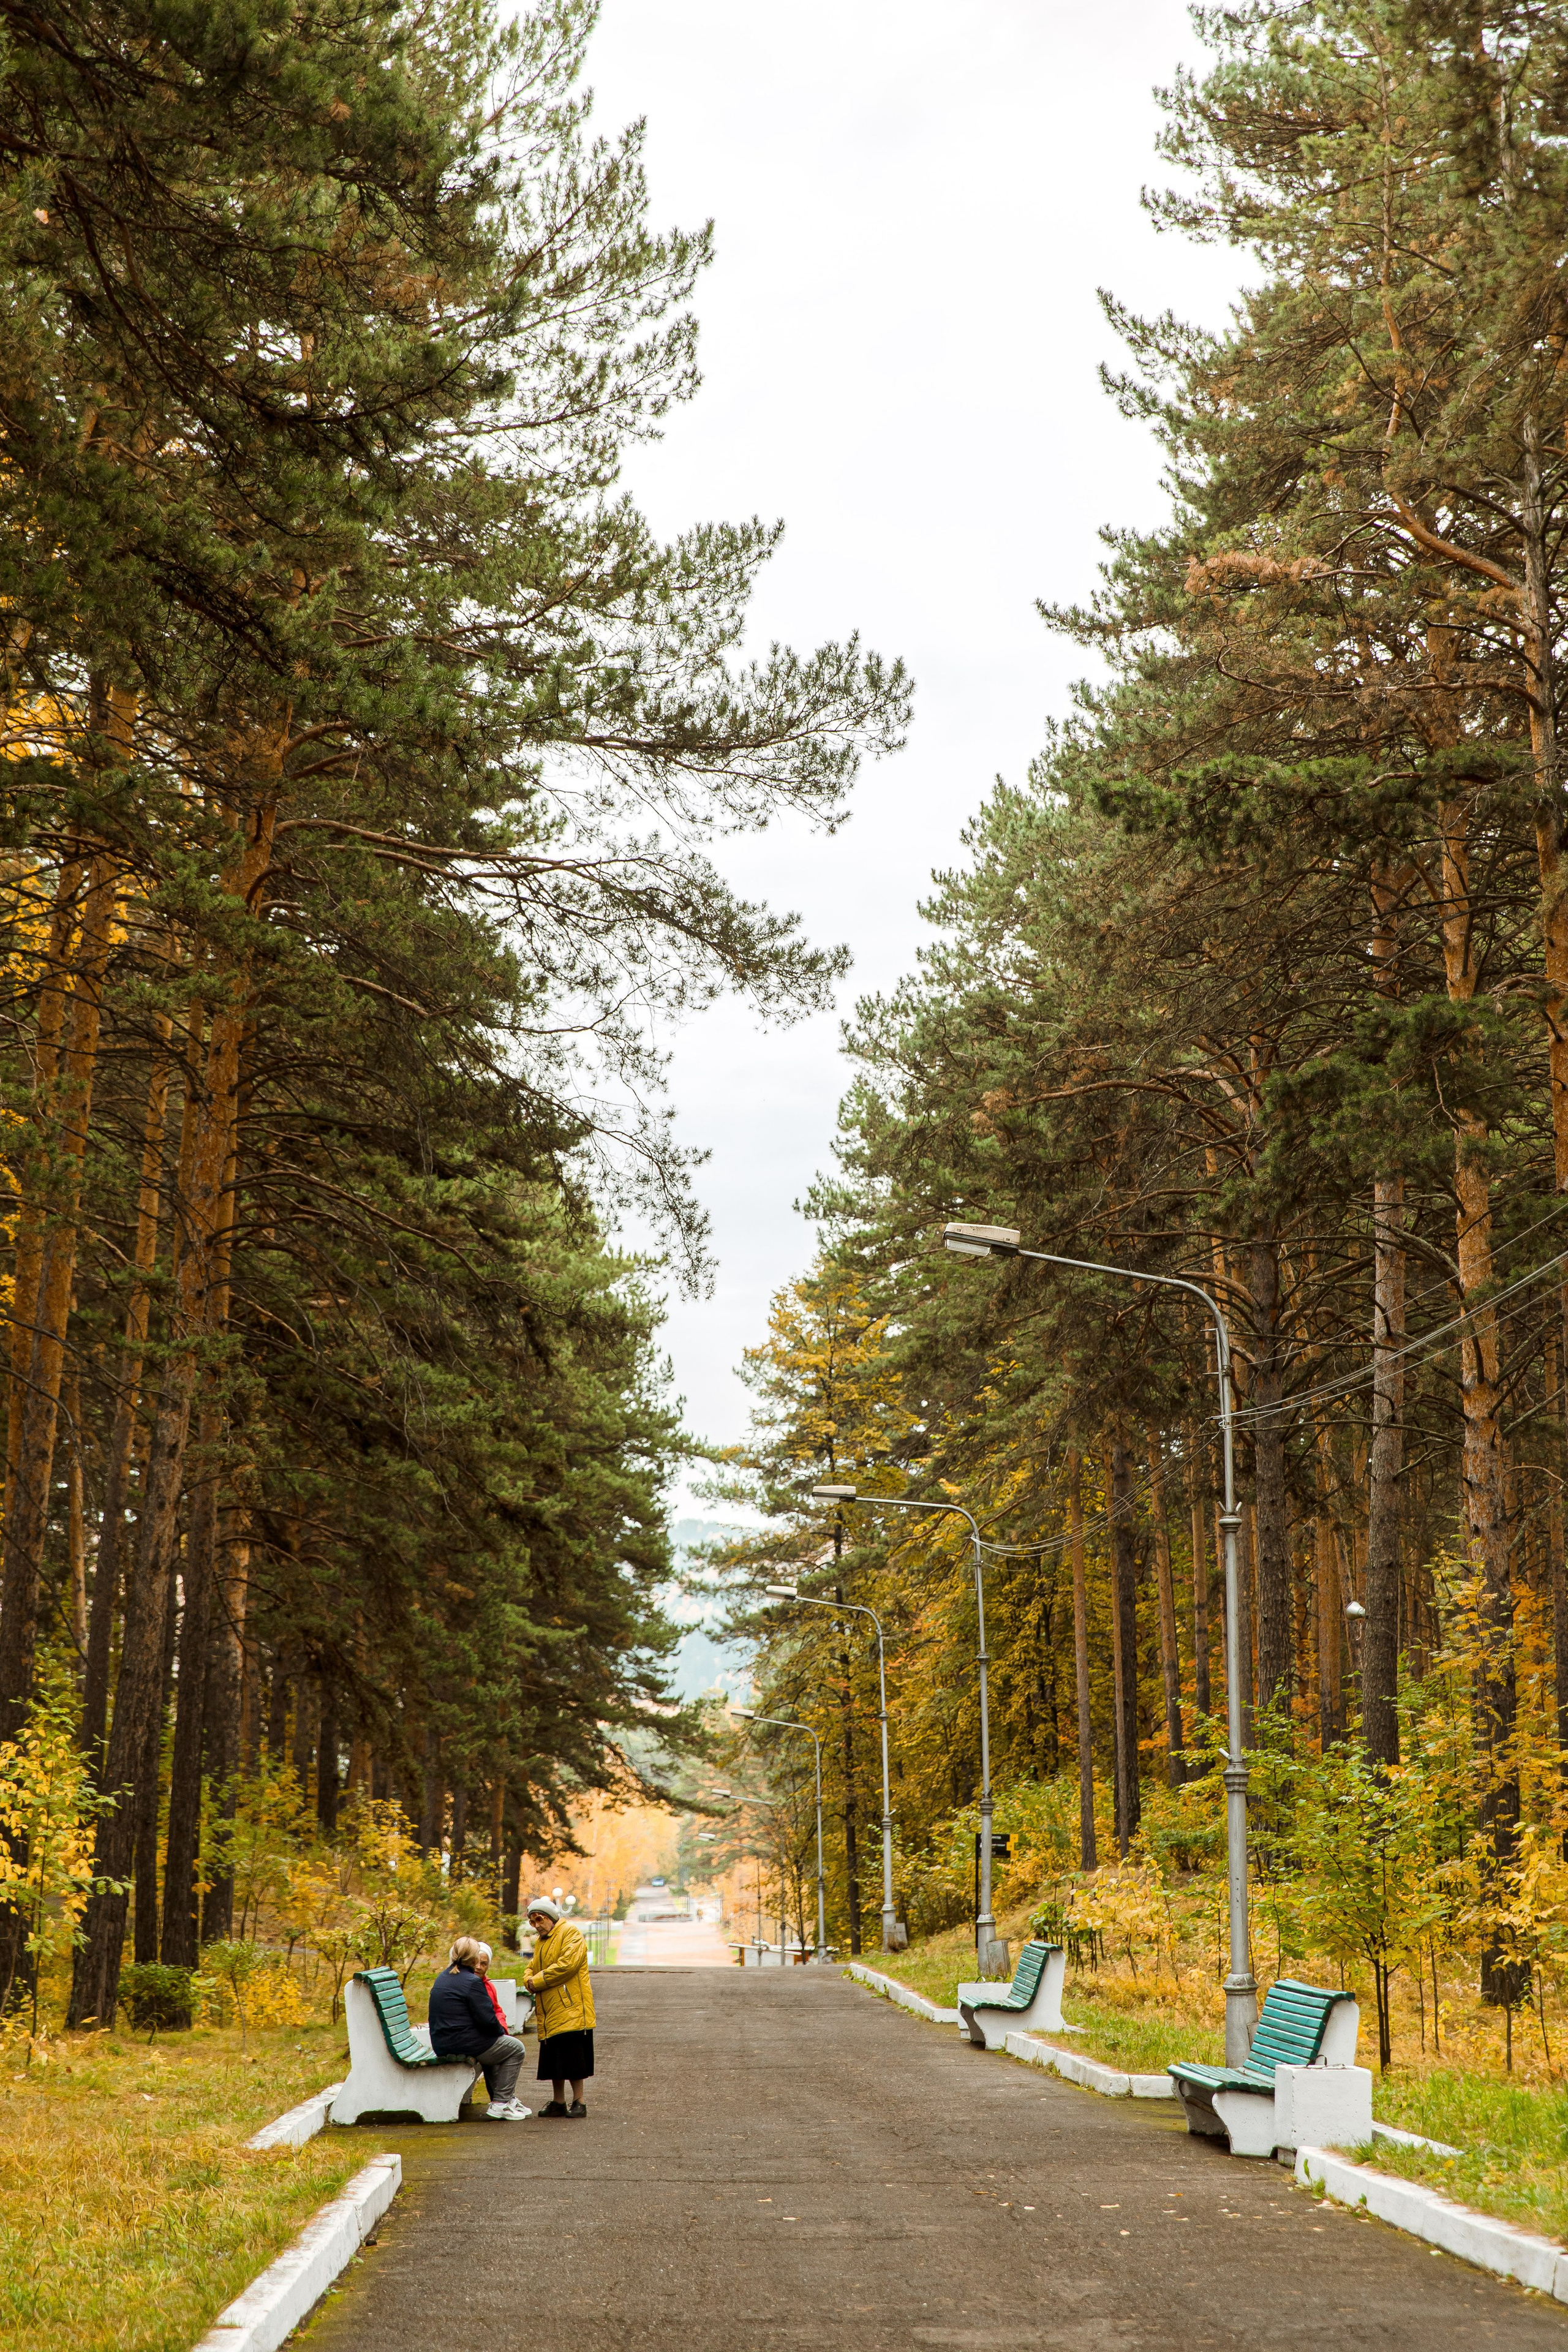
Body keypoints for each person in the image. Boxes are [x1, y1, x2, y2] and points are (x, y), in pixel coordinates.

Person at [428, 1934, 530, 2120]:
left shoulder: (443, 1978)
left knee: (498, 2049)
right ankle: (501, 2103)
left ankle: (505, 2100)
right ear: (474, 1959)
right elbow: (488, 2021)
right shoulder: (472, 1982)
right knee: (516, 2048)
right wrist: (501, 2034)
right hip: (463, 2043)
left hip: (442, 2042)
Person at [524, 1897, 594, 2118]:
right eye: (533, 1922)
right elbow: (531, 1966)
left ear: (551, 1917)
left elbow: (566, 1967)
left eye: (540, 1919)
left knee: (574, 2058)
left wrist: (537, 1981)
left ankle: (579, 2102)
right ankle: (558, 2101)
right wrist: (528, 1979)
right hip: (550, 2009)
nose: (537, 1925)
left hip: (571, 2008)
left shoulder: (570, 1933)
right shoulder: (542, 1942)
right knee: (554, 2058)